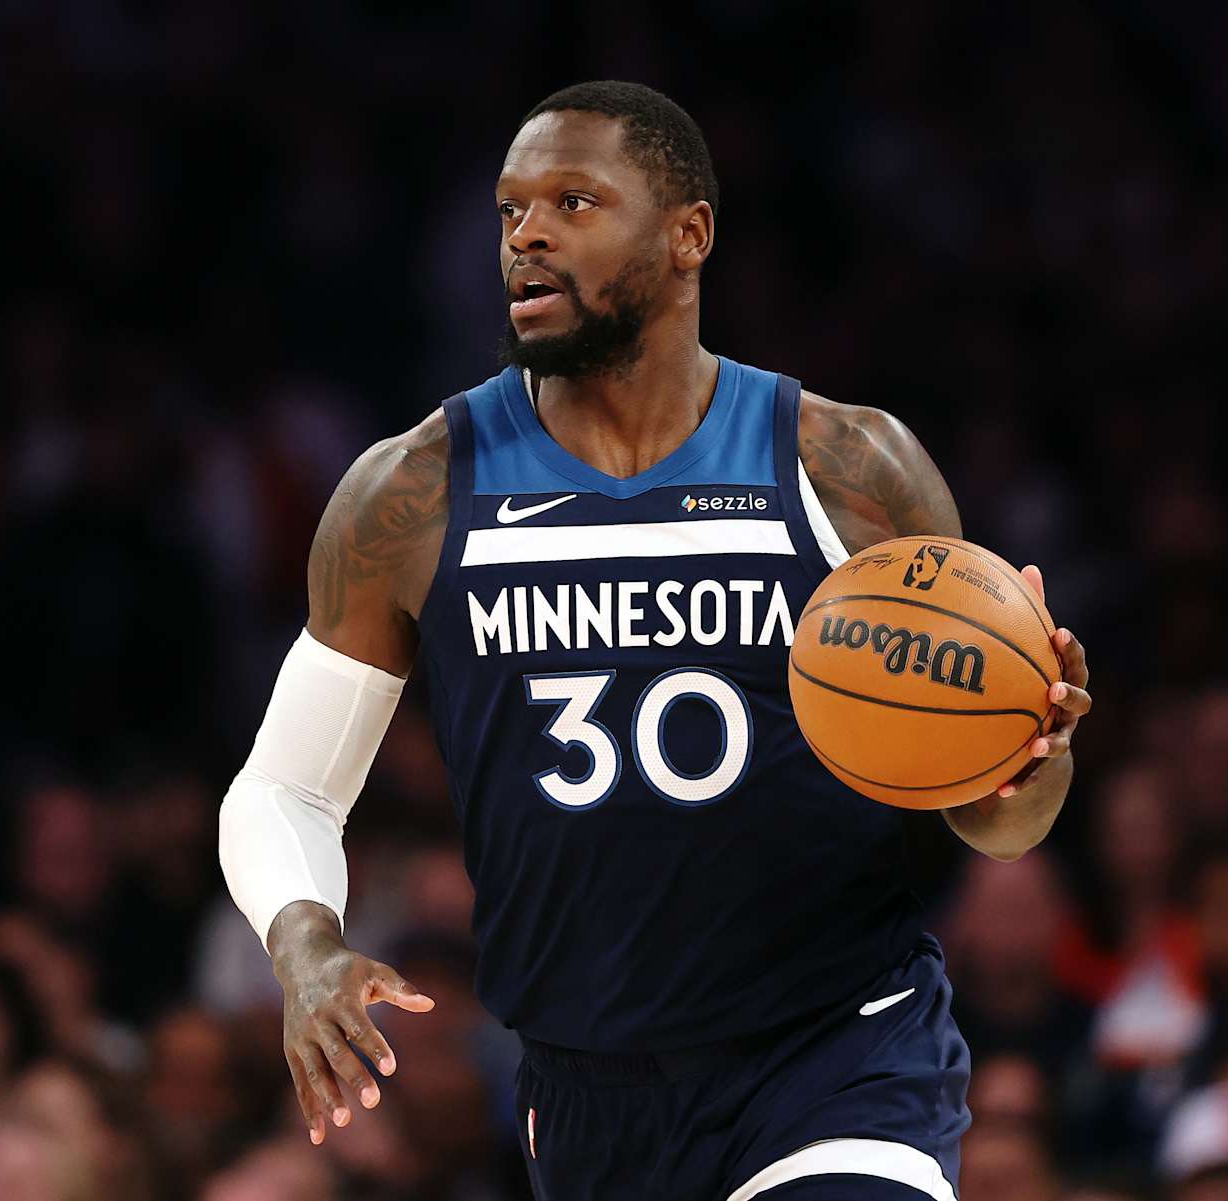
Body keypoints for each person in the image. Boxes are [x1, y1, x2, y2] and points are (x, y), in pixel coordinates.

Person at [217, 80, 1094, 1201]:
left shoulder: (847, 468)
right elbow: (282, 790)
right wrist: (305, 941)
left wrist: (1036, 751)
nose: (526, 235)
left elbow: (995, 820)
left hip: (837, 1049)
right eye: (509, 211)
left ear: (690, 236)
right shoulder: (414, 493)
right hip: (591, 1093)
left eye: (573, 202)